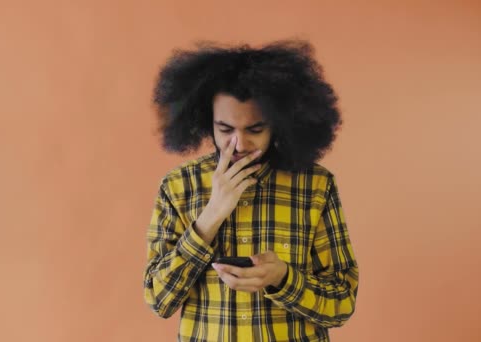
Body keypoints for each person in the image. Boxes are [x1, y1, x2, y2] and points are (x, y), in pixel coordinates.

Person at [143, 40, 359, 342]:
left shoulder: (315, 186)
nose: (240, 145)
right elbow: (158, 299)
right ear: (207, 123)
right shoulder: (179, 187)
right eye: (225, 129)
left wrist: (283, 278)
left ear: (278, 124)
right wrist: (211, 215)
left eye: (255, 130)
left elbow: (342, 303)